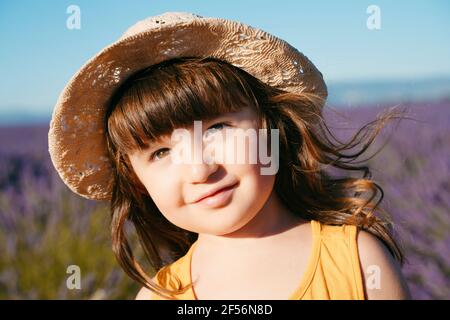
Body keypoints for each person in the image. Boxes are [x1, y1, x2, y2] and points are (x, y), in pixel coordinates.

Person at [48, 12, 411, 300]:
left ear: (271, 130)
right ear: (136, 181)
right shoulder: (160, 296)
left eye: (217, 129)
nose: (200, 169)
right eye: (160, 152)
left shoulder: (358, 263)